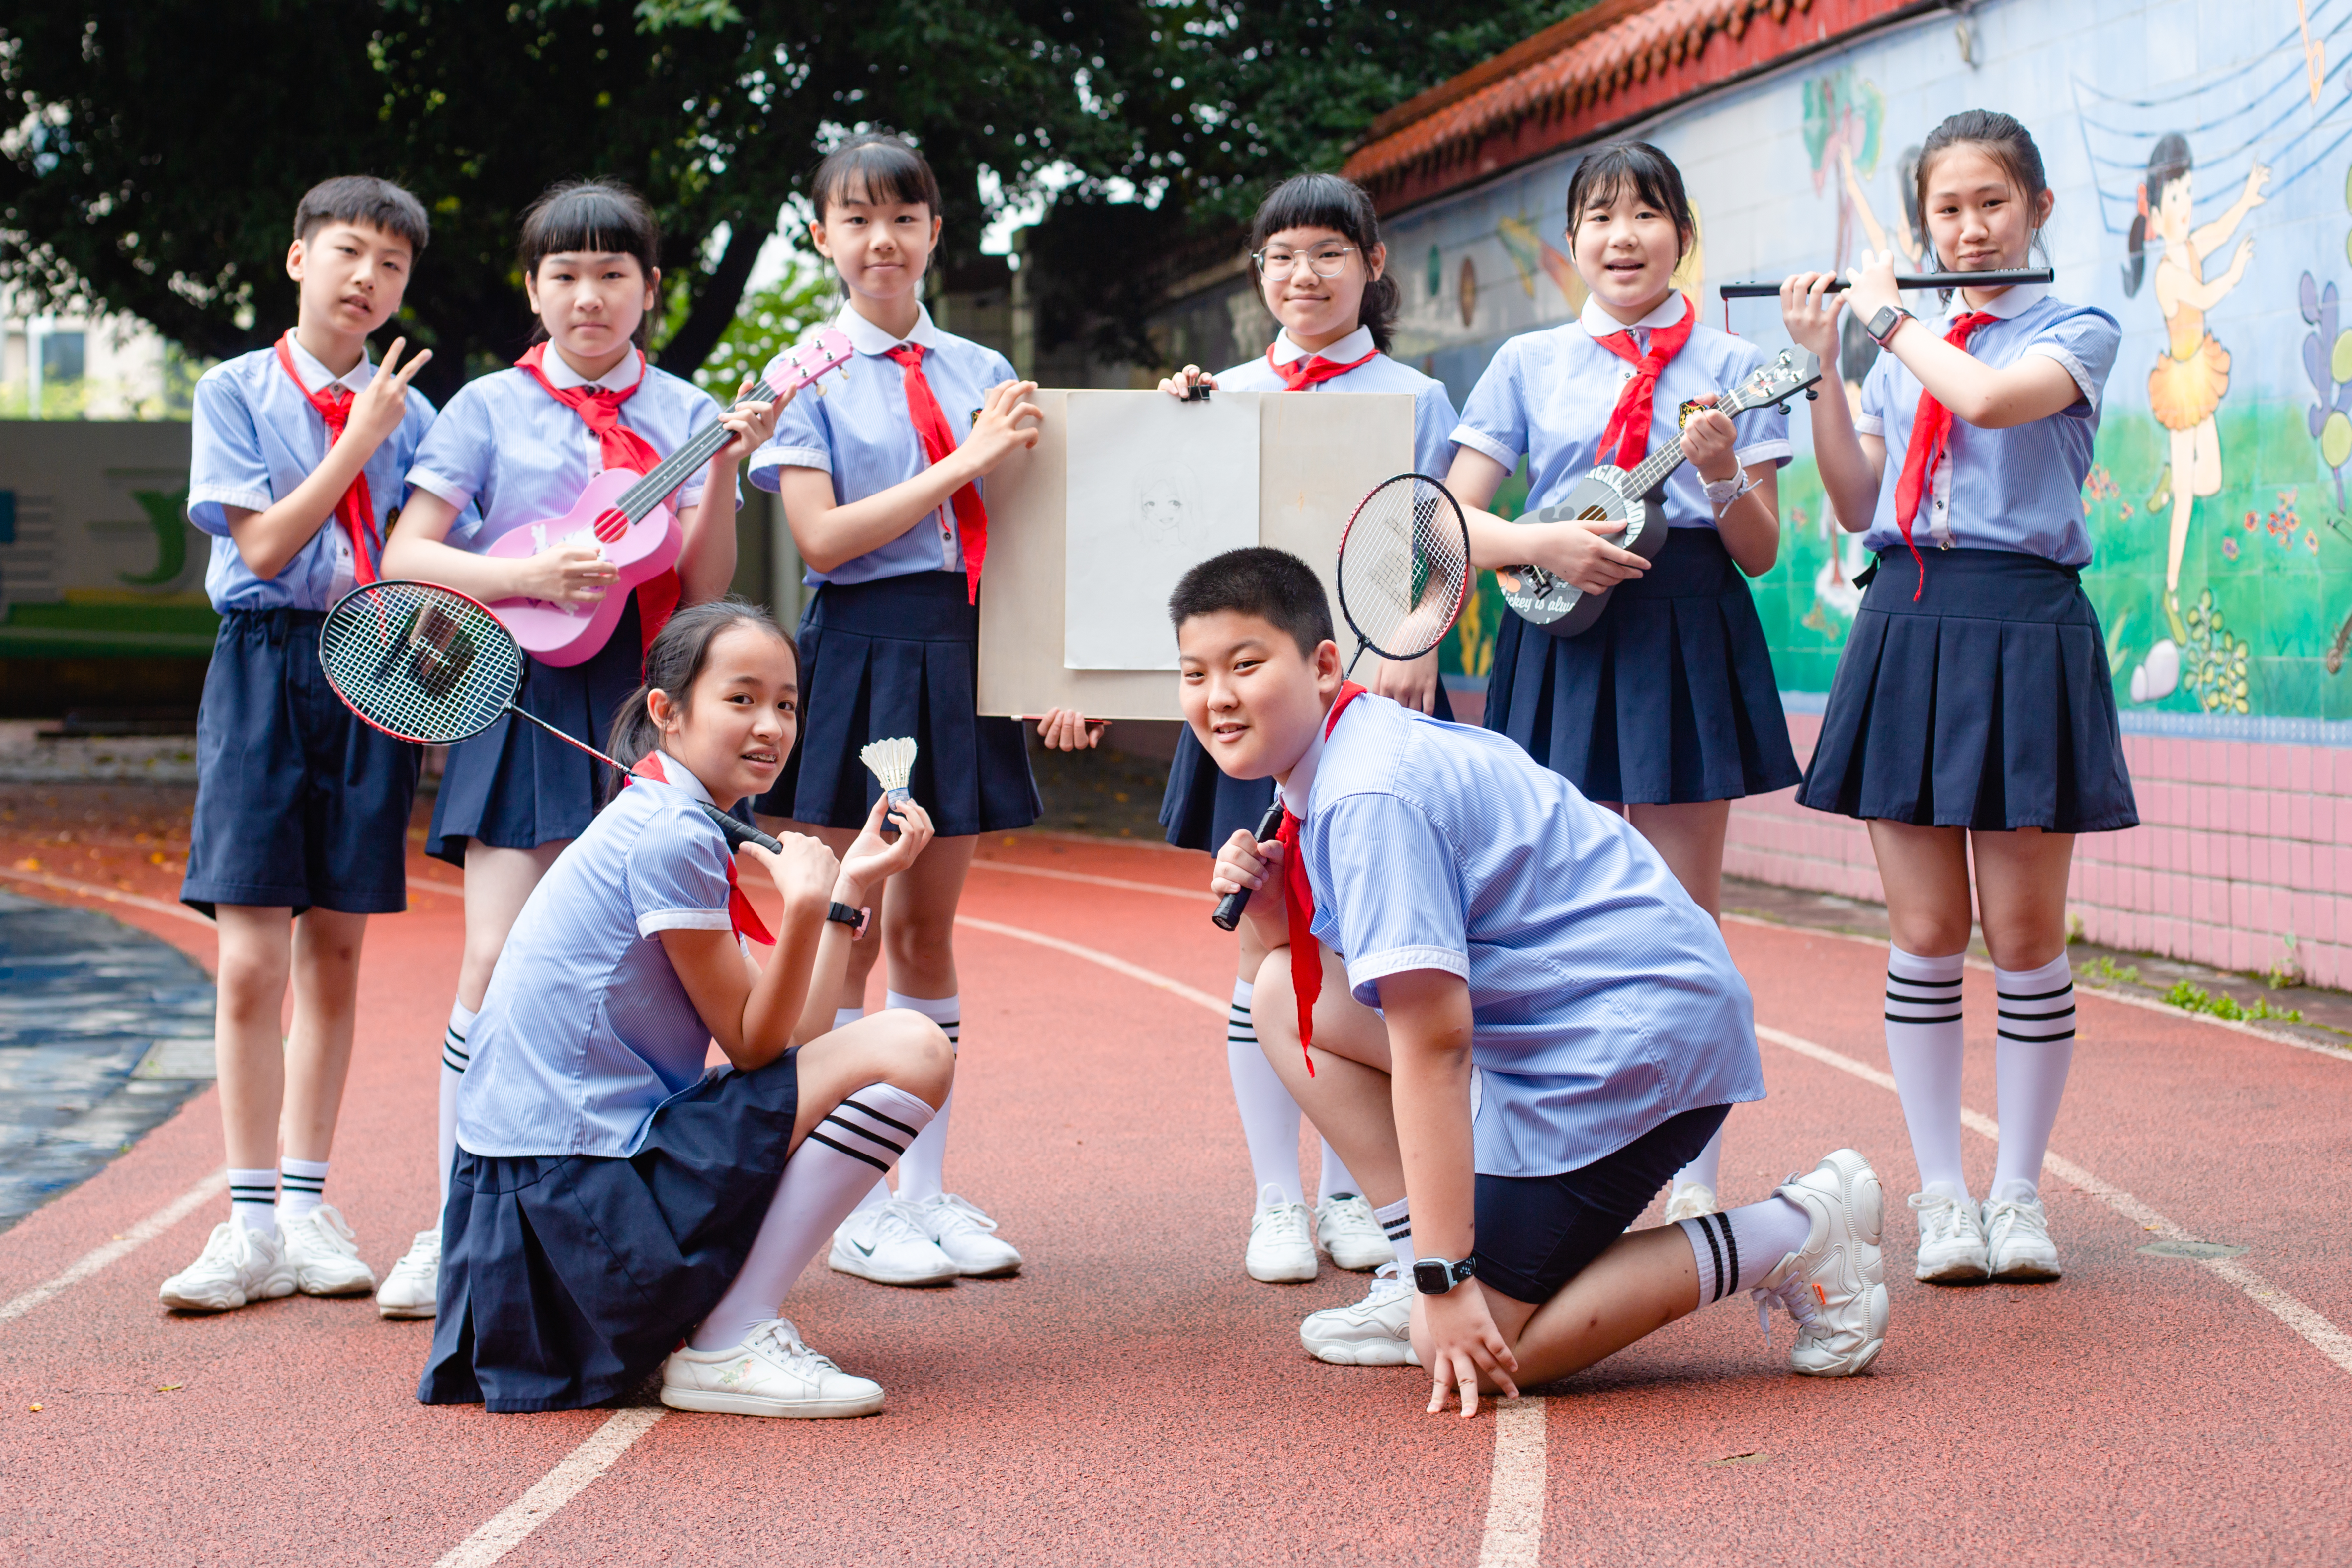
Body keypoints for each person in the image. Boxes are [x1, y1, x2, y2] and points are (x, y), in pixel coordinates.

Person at [1176, 546, 1888, 1402]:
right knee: (1280, 996)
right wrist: (1267, 913)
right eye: (1194, 674)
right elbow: (1342, 983)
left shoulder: (1367, 795)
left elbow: (1434, 1045)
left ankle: (1800, 1228)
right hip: (1560, 1029)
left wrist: (1449, 1281)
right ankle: (1418, 1272)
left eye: (1246, 666)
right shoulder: (1340, 754)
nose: (1217, 698)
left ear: (1323, 665)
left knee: (1495, 1351)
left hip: (1630, 1042)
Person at [377, 179, 781, 1318]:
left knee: (655, 967)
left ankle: (632, 1204)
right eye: (565, 274)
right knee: (493, 956)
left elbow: (706, 590)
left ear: (650, 291)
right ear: (533, 288)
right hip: (513, 688)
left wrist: (715, 468)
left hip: (646, 699)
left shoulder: (692, 407)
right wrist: (524, 577)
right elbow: (410, 554)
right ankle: (457, 1206)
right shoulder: (484, 409)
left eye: (612, 275)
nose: (588, 296)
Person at [420, 598, 950, 1416]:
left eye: (786, 703)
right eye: (741, 699)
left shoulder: (677, 816)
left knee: (895, 1050)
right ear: (668, 713)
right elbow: (751, 1048)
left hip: (555, 1203)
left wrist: (846, 893)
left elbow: (786, 1042)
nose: (771, 725)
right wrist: (805, 910)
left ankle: (727, 1323)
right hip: (572, 1212)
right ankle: (729, 1337)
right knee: (914, 1046)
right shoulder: (673, 835)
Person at [1779, 109, 2129, 1284]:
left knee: (2023, 937)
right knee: (1925, 934)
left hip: (2025, 626)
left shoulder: (2076, 329)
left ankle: (2017, 1194)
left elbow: (1984, 401)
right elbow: (1849, 500)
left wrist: (1887, 320)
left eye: (1991, 203)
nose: (1970, 229)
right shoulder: (1906, 342)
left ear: (2035, 209)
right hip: (1907, 625)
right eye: (1946, 209)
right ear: (1919, 220)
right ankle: (1941, 1198)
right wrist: (1831, 367)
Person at [744, 132, 1087, 1288]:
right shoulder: (801, 376)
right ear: (820, 239)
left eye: (902, 216)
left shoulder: (981, 366)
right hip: (858, 651)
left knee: (929, 932)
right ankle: (840, 1204)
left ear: (936, 230)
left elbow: (1038, 523)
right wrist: (962, 464)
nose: (880, 239)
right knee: (845, 928)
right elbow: (822, 540)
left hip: (961, 647)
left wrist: (1053, 666)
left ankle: (923, 1194)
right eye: (855, 219)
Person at [1445, 141, 1800, 1225]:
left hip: (1687, 621)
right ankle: (1554, 1146)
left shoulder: (1737, 363)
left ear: (1680, 236)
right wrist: (1542, 541)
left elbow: (1758, 549)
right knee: (1540, 903)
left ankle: (1688, 1166)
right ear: (1570, 243)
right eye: (1599, 216)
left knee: (1683, 913)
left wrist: (1720, 469)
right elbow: (1449, 523)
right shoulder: (1525, 362)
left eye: (1645, 214)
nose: (1622, 235)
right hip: (1559, 628)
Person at [1155, 172, 1460, 1287]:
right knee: (1259, 943)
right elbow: (1165, 531)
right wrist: (1174, 423)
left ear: (1371, 267)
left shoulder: (1416, 396)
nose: (1303, 275)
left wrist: (1419, 638)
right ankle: (1276, 1199)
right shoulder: (1216, 392)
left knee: (1352, 952)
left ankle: (1347, 1190)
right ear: (1257, 274)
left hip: (1365, 703)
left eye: (1328, 252)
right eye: (1280, 255)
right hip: (1254, 704)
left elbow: (1444, 532)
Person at [162, 176, 439, 1313]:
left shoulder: (421, 415)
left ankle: (310, 1202)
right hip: (266, 662)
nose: (366, 277)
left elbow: (426, 563)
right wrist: (358, 437)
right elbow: (268, 548)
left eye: (390, 263)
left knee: (335, 950)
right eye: (347, 252)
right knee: (249, 959)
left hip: (373, 668)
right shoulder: (233, 391)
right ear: (297, 260)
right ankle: (245, 1222)